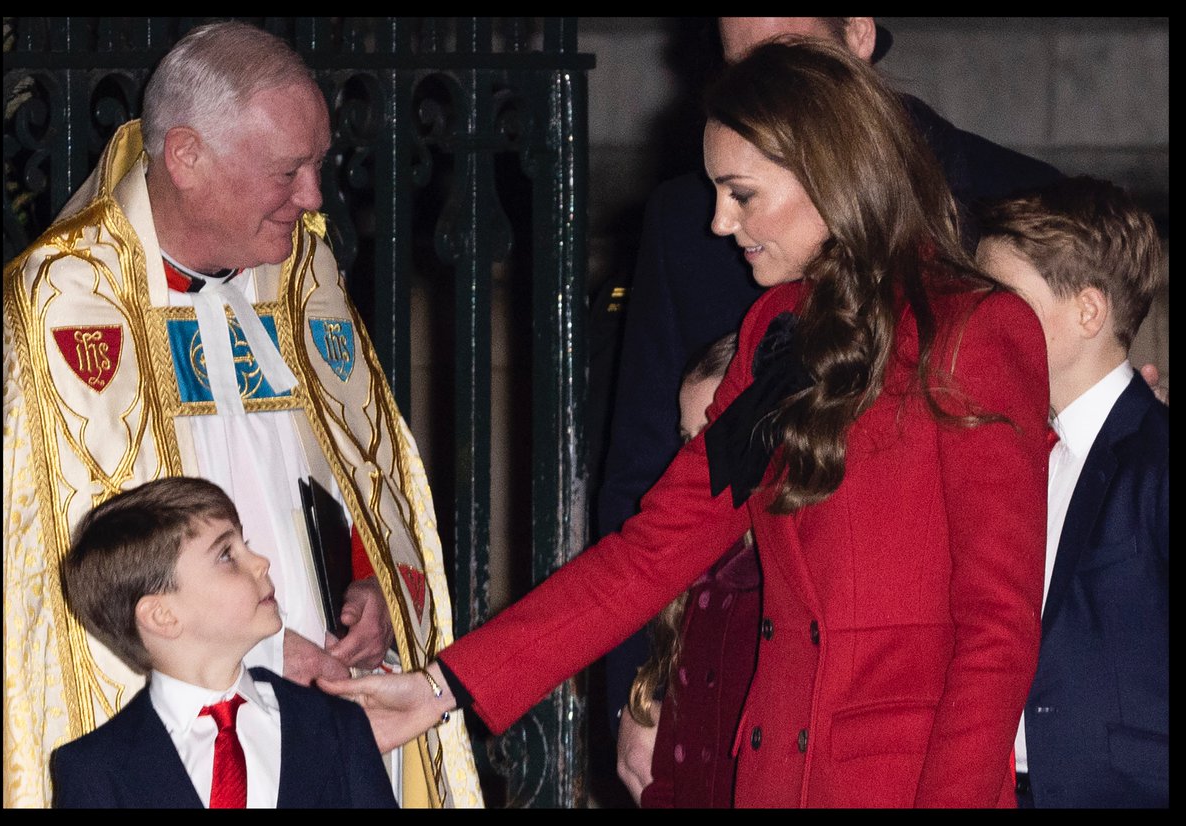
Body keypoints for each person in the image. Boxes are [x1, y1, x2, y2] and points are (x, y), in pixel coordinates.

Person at [325, 39, 1052, 808]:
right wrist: (443, 688)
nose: (718, 223)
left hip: (905, 785)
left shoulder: (977, 331)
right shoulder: (777, 333)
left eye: (741, 194)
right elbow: (649, 555)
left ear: (828, 177)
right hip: (770, 779)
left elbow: (996, 631)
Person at [2, 21, 480, 808]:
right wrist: (236, 652)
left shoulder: (303, 274)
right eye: (288, 170)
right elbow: (55, 559)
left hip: (330, 710)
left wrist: (373, 587)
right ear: (186, 156)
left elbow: (353, 469)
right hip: (180, 723)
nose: (314, 197)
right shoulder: (59, 300)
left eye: (319, 164)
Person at [597, 17, 1064, 754]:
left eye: (785, 57)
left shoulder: (1002, 259)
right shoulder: (741, 288)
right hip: (753, 722)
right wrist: (634, 691)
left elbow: (998, 626)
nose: (721, 222)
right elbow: (650, 515)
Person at [976, 176, 1169, 808]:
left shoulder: (1157, 458)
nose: (977, 320)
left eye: (1000, 298)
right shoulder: (1005, 450)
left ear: (1088, 312)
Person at [51, 477, 399, 808]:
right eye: (226, 555)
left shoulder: (336, 726)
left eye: (244, 545)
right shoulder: (95, 769)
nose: (261, 563)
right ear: (162, 616)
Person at [619, 331, 763, 808]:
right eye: (687, 441)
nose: (696, 460)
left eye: (710, 437)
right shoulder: (701, 576)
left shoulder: (772, 583)